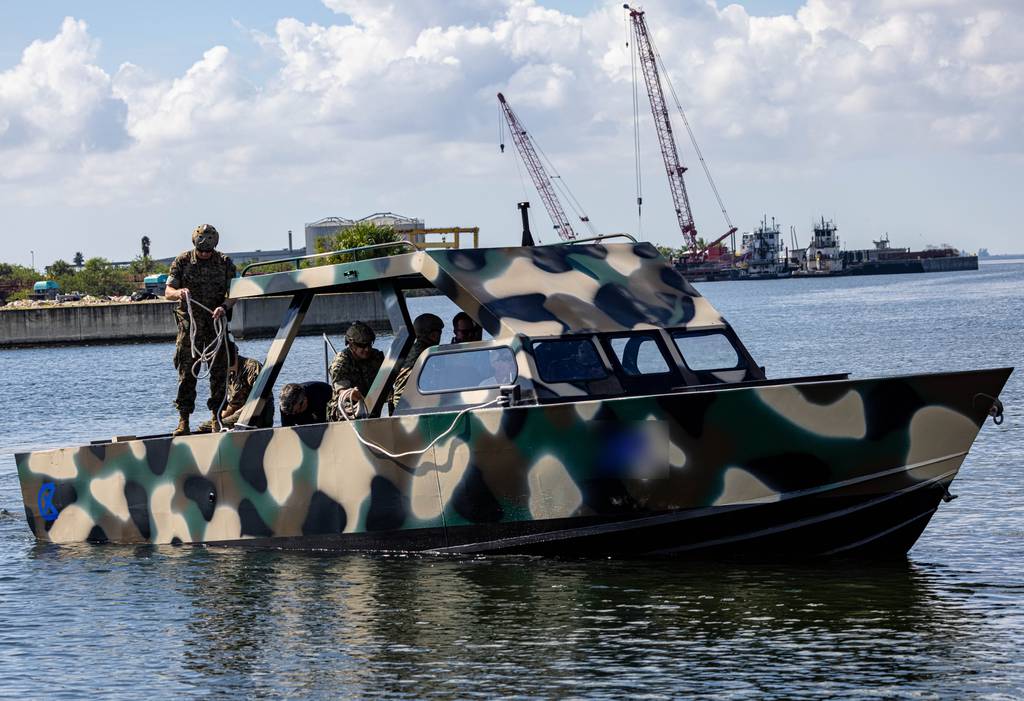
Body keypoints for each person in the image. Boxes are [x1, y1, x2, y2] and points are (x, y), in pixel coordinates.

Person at [164, 224, 237, 436]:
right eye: (201, 251)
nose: (205, 254)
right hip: (190, 327)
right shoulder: (183, 261)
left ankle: (217, 418)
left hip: (216, 326)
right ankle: (183, 420)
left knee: (219, 373)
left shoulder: (224, 262)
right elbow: (167, 291)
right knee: (187, 373)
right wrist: (179, 293)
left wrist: (224, 307)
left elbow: (235, 293)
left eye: (208, 251)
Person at [195, 342, 273, 432]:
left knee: (218, 426)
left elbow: (262, 397)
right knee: (205, 427)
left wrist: (235, 414)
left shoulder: (251, 367)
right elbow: (233, 404)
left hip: (256, 414)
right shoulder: (226, 374)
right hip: (238, 414)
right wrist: (218, 419)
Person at [327, 321, 385, 421]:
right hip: (346, 411)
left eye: (369, 344)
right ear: (351, 345)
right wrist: (352, 394)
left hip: (371, 404)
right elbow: (342, 391)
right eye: (362, 345)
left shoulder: (375, 356)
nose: (367, 349)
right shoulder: (341, 363)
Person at [388, 313, 444, 409]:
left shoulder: (410, 350)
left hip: (403, 405)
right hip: (412, 406)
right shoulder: (427, 353)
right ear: (433, 335)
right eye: (439, 332)